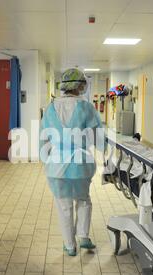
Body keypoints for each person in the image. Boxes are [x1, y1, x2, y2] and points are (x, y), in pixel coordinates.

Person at [40, 68, 104, 256]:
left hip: (56, 166)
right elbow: (97, 137)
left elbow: (43, 139)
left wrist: (46, 160)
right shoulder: (86, 107)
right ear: (79, 85)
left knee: (64, 205)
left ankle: (70, 246)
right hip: (81, 165)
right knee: (83, 199)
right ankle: (83, 235)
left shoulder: (50, 108)